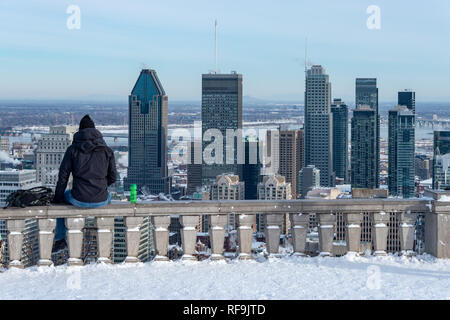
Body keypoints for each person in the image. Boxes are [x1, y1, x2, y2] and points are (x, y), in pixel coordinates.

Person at [52, 115, 117, 245]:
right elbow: (113, 177)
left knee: (62, 199)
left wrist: (57, 198)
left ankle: (60, 238)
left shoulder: (72, 150)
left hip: (78, 198)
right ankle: (108, 239)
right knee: (109, 196)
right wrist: (101, 186)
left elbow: (63, 177)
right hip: (101, 199)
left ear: (80, 131)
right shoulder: (107, 151)